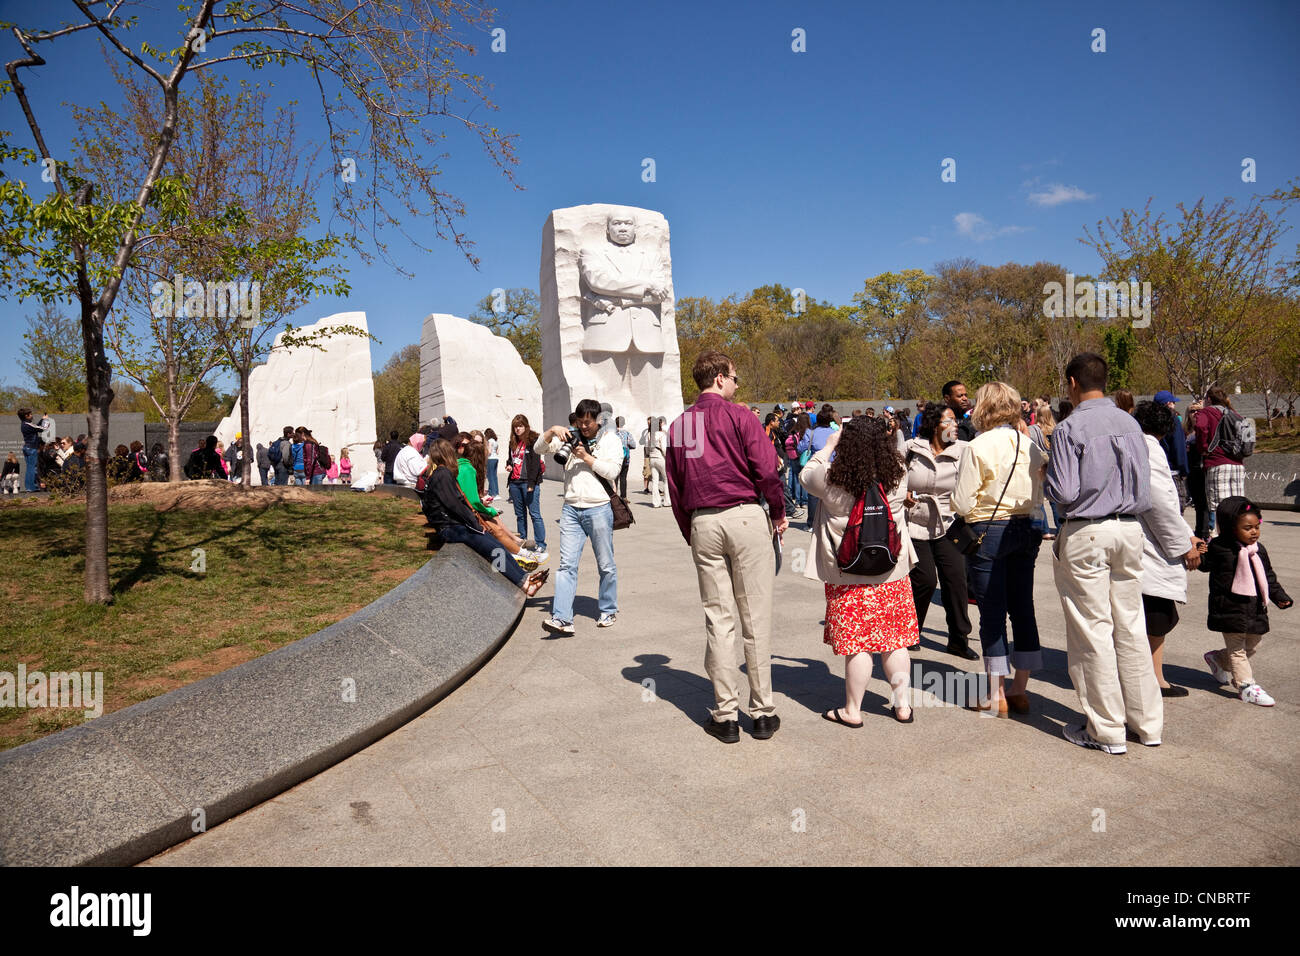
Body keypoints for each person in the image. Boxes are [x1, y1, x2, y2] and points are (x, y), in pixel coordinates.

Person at [667, 350, 787, 744]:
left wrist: (692, 529)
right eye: (735, 378)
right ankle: (763, 711)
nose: (737, 385)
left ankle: (725, 714)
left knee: (718, 620)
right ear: (720, 378)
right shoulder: (740, 417)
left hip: (704, 518)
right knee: (755, 618)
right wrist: (778, 512)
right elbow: (767, 469)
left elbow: (676, 485)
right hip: (745, 514)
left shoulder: (681, 425)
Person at [1045, 352, 1159, 754]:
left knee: (1092, 632)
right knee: (1130, 626)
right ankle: (1147, 723)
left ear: (1072, 383)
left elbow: (1064, 492)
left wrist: (1046, 476)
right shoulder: (1130, 423)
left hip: (1087, 531)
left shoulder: (1070, 427)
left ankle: (1106, 730)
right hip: (1129, 528)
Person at [802, 418, 919, 727]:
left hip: (848, 573)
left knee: (858, 644)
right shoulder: (898, 475)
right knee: (895, 641)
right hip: (891, 570)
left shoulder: (831, 480)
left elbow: (805, 476)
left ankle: (853, 710)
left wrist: (828, 446)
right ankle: (903, 706)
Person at [952, 382, 1047, 717]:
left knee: (992, 613)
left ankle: (996, 693)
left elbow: (961, 502)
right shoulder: (1031, 444)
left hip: (988, 529)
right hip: (1028, 526)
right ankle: (1020, 689)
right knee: (1023, 608)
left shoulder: (977, 447)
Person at [1134, 401, 1205, 699]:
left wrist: (1187, 536)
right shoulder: (1150, 449)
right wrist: (1184, 546)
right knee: (1156, 616)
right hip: (1150, 546)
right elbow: (1161, 504)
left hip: (1142, 540)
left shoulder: (1136, 445)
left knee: (1152, 615)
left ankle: (1154, 676)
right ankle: (1154, 678)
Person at [420, 438, 550, 597]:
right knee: (494, 549)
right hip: (452, 528)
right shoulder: (442, 474)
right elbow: (454, 505)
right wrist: (474, 524)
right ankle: (522, 583)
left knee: (497, 546)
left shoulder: (439, 473)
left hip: (454, 526)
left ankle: (524, 579)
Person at [536, 399, 623, 634]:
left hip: (599, 509)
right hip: (571, 509)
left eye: (588, 422)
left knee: (605, 564)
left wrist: (586, 457)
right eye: (579, 422)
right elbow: (538, 449)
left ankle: (608, 609)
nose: (583, 427)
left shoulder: (610, 440)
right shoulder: (569, 437)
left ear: (598, 421)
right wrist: (553, 431)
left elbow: (612, 471)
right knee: (566, 566)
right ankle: (563, 618)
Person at [1199, 497, 1292, 707]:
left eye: (1257, 527)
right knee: (1237, 649)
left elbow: (1268, 576)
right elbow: (1205, 566)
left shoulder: (1259, 549)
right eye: (1247, 528)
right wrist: (1201, 550)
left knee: (1254, 643)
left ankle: (1217, 659)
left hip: (1255, 607)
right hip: (1229, 606)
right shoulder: (1220, 547)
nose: (1254, 532)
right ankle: (1246, 686)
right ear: (1231, 528)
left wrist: (1280, 597)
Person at [904, 402, 976, 660]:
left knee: (956, 581)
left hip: (949, 523)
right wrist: (904, 494)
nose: (955, 426)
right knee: (924, 580)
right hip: (915, 523)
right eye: (949, 421)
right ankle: (911, 632)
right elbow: (893, 479)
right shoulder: (911, 449)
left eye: (956, 421)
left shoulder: (965, 450)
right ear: (935, 426)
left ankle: (958, 640)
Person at [1191, 387, 1248, 522]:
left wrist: (1204, 448)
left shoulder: (1206, 413)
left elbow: (1200, 427)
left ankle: (1222, 538)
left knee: (1219, 507)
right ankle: (1238, 537)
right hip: (1237, 465)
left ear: (1209, 399)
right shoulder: (1234, 414)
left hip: (1217, 463)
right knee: (1238, 506)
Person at [506, 414, 548, 558]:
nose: (518, 429)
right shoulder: (512, 442)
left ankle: (541, 544)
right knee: (520, 515)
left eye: (520, 426)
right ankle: (522, 541)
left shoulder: (533, 440)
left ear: (526, 426)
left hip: (528, 483)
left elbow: (535, 464)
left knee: (535, 514)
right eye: (515, 427)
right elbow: (511, 459)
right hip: (514, 483)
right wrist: (509, 465)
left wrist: (531, 483)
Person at [798, 404, 839, 526]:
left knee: (813, 496)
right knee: (832, 495)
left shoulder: (810, 433)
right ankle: (830, 520)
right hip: (833, 467)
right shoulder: (836, 432)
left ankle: (812, 522)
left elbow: (800, 448)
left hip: (815, 468)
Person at [1153, 390, 1190, 507]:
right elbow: (1179, 447)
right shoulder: (1173, 419)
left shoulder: (1149, 420)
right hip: (1172, 473)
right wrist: (1184, 470)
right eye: (1173, 402)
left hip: (1154, 471)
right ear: (1168, 403)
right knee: (1176, 510)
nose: (1174, 405)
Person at [1027, 400, 1058, 538]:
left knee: (1039, 500)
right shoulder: (1056, 429)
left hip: (1039, 467)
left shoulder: (1032, 430)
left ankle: (1044, 530)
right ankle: (1060, 527)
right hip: (1054, 467)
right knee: (1054, 501)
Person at [648, 416, 670, 508]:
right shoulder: (661, 434)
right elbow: (664, 448)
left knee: (655, 481)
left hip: (652, 458)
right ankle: (667, 501)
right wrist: (667, 457)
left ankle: (656, 502)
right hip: (660, 458)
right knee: (666, 480)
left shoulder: (649, 434)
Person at [18, 408, 42, 493]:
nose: (32, 416)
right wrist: (45, 420)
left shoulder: (24, 424)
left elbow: (36, 427)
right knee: (33, 468)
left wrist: (42, 419)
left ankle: (29, 487)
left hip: (27, 448)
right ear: (26, 416)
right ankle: (32, 487)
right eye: (30, 414)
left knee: (29, 468)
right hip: (31, 448)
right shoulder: (28, 424)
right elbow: (42, 428)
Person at [484, 428, 501, 499]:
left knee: (490, 476)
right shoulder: (495, 441)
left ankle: (493, 493)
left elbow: (489, 451)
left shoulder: (490, 441)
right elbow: (497, 452)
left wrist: (485, 455)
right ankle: (494, 492)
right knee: (494, 476)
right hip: (496, 458)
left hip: (490, 459)